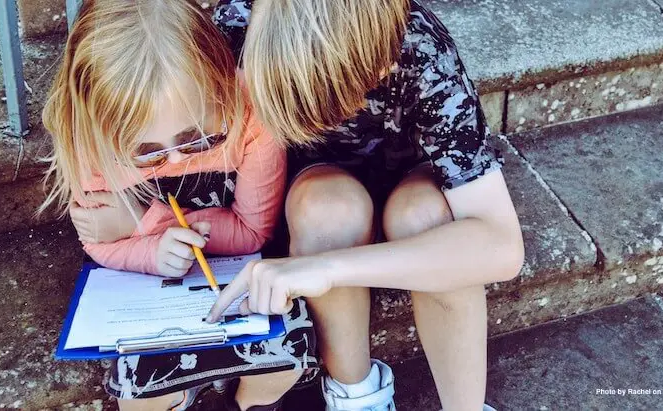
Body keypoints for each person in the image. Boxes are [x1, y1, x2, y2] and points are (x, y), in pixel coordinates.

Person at [207, 1, 525, 410]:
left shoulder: (417, 45)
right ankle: (357, 396)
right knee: (326, 209)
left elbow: (500, 245)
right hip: (315, 197)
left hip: (411, 182)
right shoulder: (237, 26)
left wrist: (329, 268)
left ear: (379, 66)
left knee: (424, 215)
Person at [39, 1, 317, 409]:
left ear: (222, 83)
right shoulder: (89, 144)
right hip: (151, 295)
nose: (174, 161)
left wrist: (144, 219)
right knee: (142, 395)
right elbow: (99, 241)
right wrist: (153, 250)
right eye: (146, 153)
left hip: (239, 283)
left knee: (283, 360)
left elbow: (253, 232)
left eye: (198, 138)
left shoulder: (252, 113)